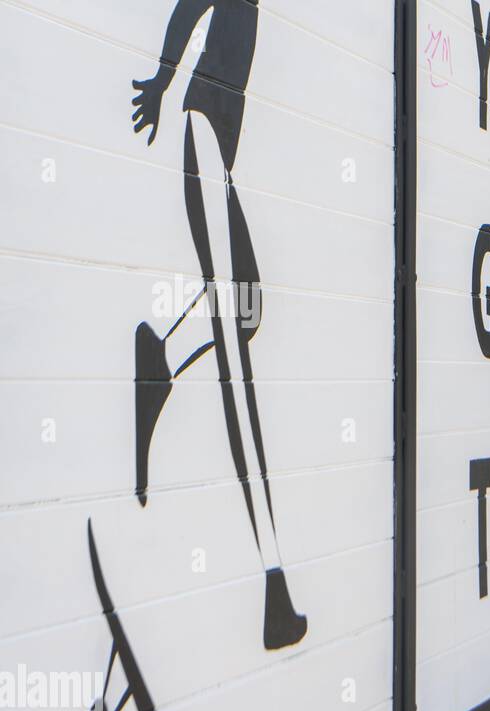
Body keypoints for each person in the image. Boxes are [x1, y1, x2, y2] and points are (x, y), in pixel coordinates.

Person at [130, 0, 307, 651]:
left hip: (214, 147)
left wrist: (163, 78)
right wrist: (161, 77)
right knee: (237, 352)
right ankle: (273, 585)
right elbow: (186, 7)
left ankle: (162, 358)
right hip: (203, 133)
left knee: (247, 307)